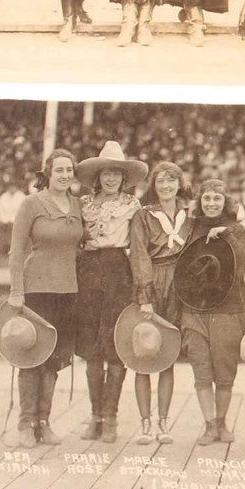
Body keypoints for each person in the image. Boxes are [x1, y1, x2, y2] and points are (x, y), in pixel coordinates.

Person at [7, 149, 83, 448]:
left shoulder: (77, 205)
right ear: (48, 174)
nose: (64, 175)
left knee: (54, 359)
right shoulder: (31, 203)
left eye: (69, 170)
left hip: (68, 291)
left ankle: (43, 422)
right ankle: (25, 423)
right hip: (35, 291)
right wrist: (16, 290)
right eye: (59, 170)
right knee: (31, 357)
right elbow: (16, 250)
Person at [74, 142, 145, 443]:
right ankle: (95, 416)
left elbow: (138, 246)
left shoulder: (132, 205)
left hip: (118, 271)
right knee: (91, 348)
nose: (111, 178)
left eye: (117, 173)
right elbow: (74, 237)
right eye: (106, 173)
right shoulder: (83, 203)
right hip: (88, 271)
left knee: (115, 346)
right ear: (98, 176)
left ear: (124, 177)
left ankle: (111, 416)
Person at [127, 161, 192, 444]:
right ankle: (145, 423)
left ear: (179, 183)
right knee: (143, 351)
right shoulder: (144, 215)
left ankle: (164, 422)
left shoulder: (189, 216)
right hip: (151, 279)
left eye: (171, 180)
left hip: (179, 286)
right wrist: (145, 295)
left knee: (168, 356)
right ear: (154, 185)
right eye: (161, 181)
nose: (166, 186)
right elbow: (139, 254)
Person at [181, 179, 245, 444]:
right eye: (207, 198)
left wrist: (226, 234)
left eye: (217, 199)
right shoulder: (190, 227)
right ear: (200, 202)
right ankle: (209, 425)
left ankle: (221, 422)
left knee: (224, 371)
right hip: (194, 308)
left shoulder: (237, 230)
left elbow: (241, 263)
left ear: (226, 202)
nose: (211, 204)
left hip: (227, 309)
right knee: (201, 369)